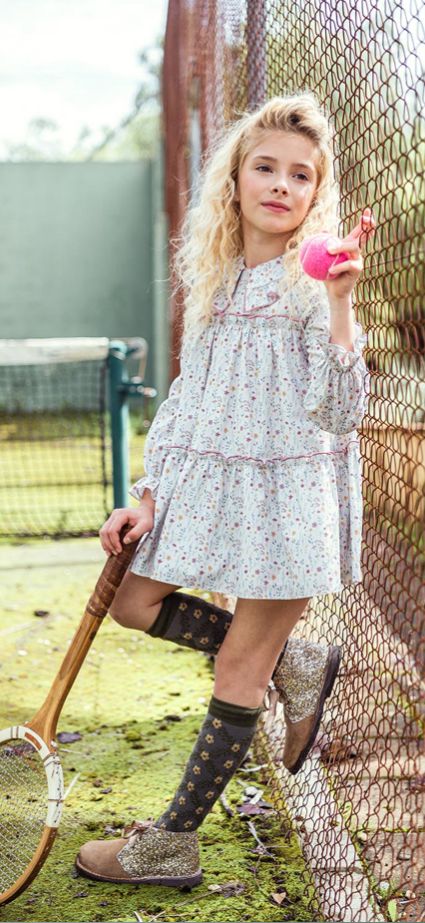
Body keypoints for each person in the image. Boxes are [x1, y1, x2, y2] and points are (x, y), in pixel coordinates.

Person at [76, 92, 375, 887]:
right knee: (130, 598)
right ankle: (293, 660)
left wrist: (340, 303)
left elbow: (340, 411)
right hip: (214, 492)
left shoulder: (313, 286)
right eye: (265, 167)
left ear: (316, 193)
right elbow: (189, 400)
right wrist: (146, 495)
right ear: (235, 180)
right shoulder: (217, 279)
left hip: (288, 506)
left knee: (235, 671)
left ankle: (171, 843)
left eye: (301, 175)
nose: (280, 184)